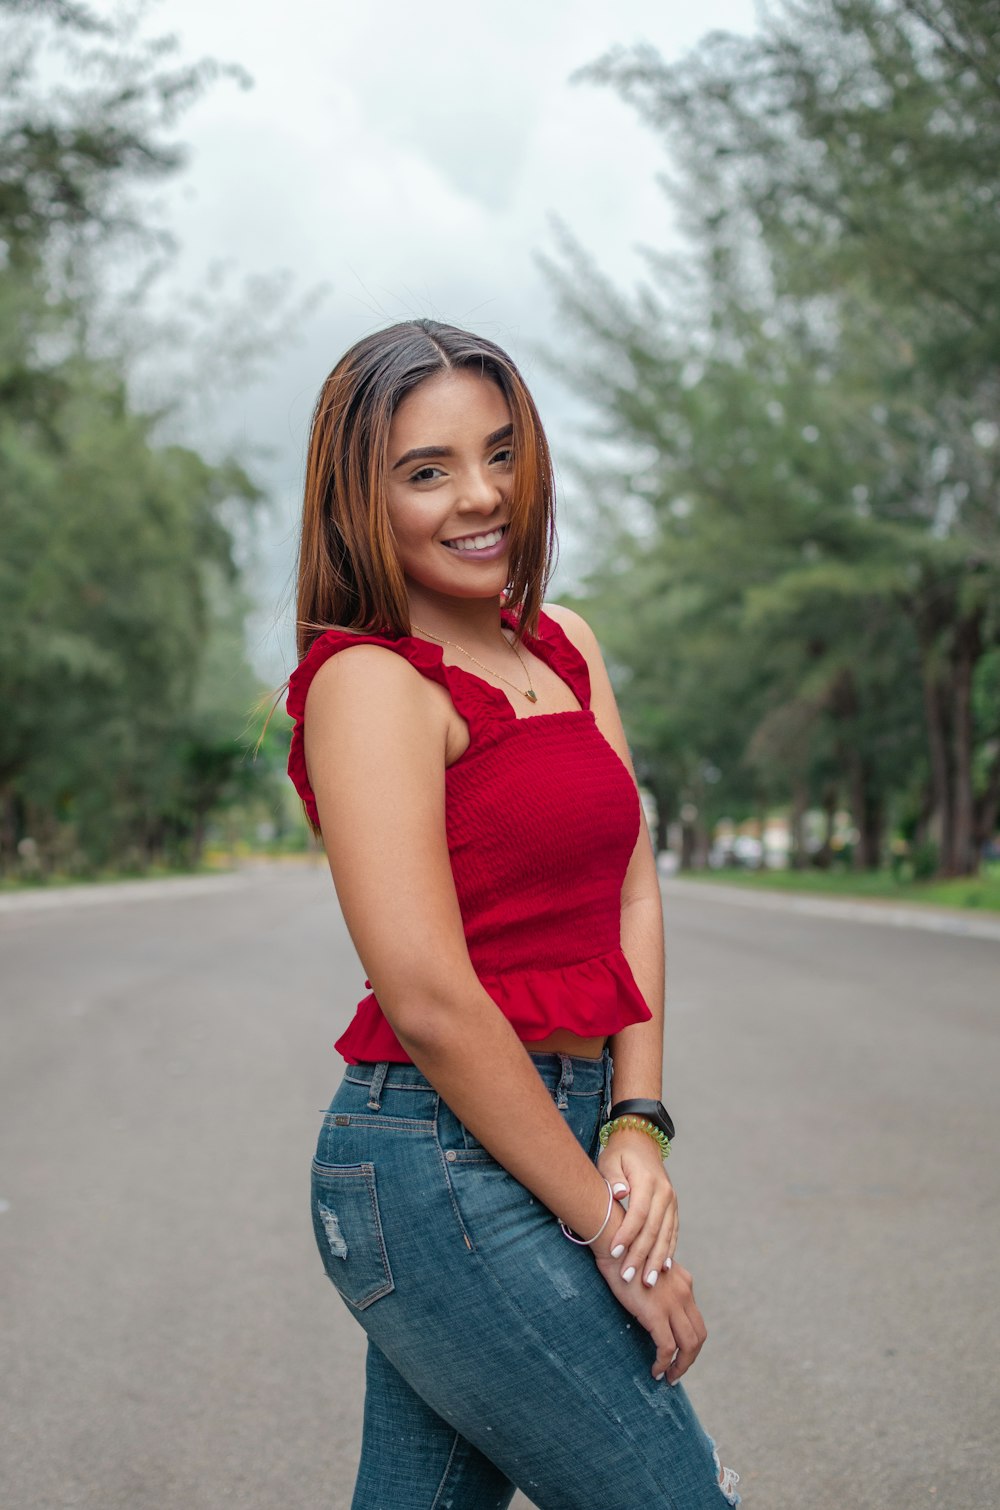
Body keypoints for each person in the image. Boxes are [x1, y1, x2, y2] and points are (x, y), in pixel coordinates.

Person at [284, 319, 740, 1509]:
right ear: (359, 500)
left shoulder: (566, 644)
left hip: (563, 1126)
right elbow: (429, 998)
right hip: (433, 1160)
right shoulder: (367, 683)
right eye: (425, 471)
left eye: (501, 452)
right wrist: (614, 1235)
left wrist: (636, 1120)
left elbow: (629, 884)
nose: (480, 496)